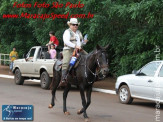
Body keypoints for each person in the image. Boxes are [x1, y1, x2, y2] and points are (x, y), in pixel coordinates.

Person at [59, 18, 88, 87]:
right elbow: (66, 41)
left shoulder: (78, 32)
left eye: (76, 25)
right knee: (66, 62)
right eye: (73, 24)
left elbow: (80, 43)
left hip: (78, 50)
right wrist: (75, 46)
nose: (75, 26)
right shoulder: (67, 32)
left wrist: (84, 42)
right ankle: (63, 79)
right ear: (70, 25)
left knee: (89, 57)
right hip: (68, 50)